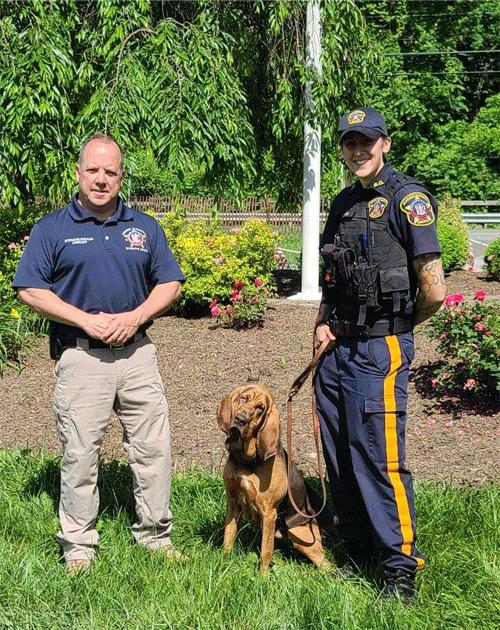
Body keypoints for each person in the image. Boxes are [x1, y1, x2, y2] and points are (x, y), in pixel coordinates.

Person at [13, 134, 186, 573]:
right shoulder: (53, 228)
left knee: (153, 448)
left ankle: (155, 536)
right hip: (81, 357)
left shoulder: (144, 227)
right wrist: (83, 319)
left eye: (110, 171)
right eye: (93, 170)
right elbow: (30, 288)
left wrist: (136, 315)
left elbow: (170, 283)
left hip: (138, 355)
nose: (101, 179)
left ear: (121, 176)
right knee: (80, 452)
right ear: (78, 172)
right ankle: (78, 545)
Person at [314, 107, 446, 603]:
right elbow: (332, 277)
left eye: (367, 141)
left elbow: (434, 290)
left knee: (380, 456)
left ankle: (399, 566)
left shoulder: (407, 200)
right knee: (340, 445)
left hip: (380, 348)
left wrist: (397, 329)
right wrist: (322, 325)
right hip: (338, 346)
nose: (358, 150)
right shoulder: (343, 202)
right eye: (350, 142)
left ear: (385, 143)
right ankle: (357, 544)